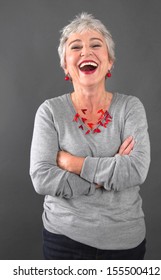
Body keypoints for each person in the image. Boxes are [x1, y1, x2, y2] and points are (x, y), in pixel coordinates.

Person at [30, 13, 150, 260]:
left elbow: (136, 169)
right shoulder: (50, 112)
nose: (86, 52)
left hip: (125, 240)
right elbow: (42, 177)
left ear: (110, 62)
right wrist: (107, 173)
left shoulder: (130, 108)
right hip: (63, 239)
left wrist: (74, 164)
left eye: (96, 45)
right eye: (76, 47)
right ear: (65, 64)